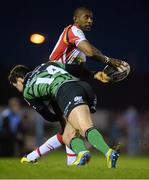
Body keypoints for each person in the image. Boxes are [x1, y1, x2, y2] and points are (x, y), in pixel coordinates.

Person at [8, 61, 119, 168]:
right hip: (84, 87)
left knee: (84, 128)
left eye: (16, 86)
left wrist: (59, 116)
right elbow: (75, 69)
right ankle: (82, 152)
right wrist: (94, 74)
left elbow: (46, 115)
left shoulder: (27, 91)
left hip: (67, 92)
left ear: (19, 80)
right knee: (68, 135)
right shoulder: (47, 64)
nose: (18, 90)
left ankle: (108, 152)